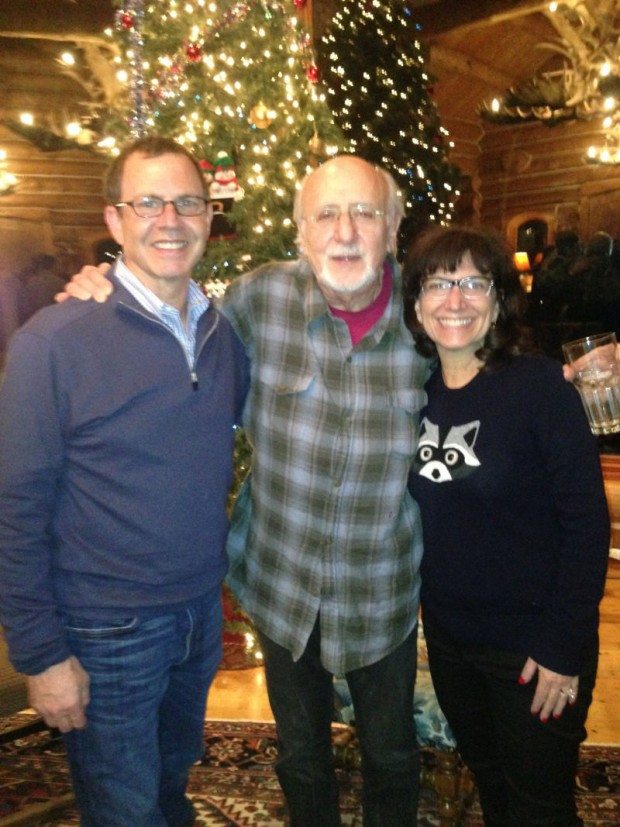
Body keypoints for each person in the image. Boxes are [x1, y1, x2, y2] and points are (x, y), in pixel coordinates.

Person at [58, 155, 429, 827]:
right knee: (302, 753)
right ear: (300, 230)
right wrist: (106, 288)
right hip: (282, 584)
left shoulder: (431, 314)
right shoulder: (256, 300)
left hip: (383, 586)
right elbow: (169, 331)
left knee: (394, 753)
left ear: (394, 226)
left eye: (366, 213)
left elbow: (500, 366)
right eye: (326, 214)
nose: (345, 231)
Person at [0, 135, 250, 827]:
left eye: (188, 202)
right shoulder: (54, 340)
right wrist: (41, 654)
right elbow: (14, 507)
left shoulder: (220, 334)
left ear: (208, 216)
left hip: (199, 612)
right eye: (148, 202)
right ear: (115, 220)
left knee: (169, 780)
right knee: (123, 806)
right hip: (108, 624)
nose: (170, 218)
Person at [403, 224, 610, 827]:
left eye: (474, 282)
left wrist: (562, 645)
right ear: (417, 303)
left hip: (533, 646)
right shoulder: (411, 391)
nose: (456, 299)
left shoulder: (540, 387)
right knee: (492, 786)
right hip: (449, 642)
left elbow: (586, 523)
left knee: (539, 808)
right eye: (440, 283)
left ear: (498, 299)